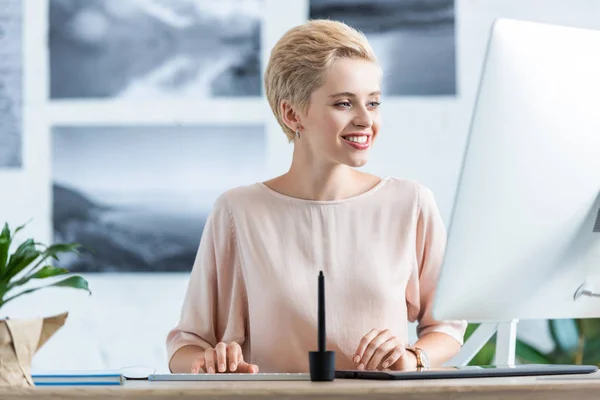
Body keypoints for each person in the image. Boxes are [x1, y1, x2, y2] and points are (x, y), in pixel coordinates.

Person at [166, 19, 467, 375]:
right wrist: (209, 363)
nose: (365, 120)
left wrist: (414, 358)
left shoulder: (410, 203)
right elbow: (185, 345)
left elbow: (446, 326)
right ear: (292, 114)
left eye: (373, 103)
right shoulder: (238, 212)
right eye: (344, 104)